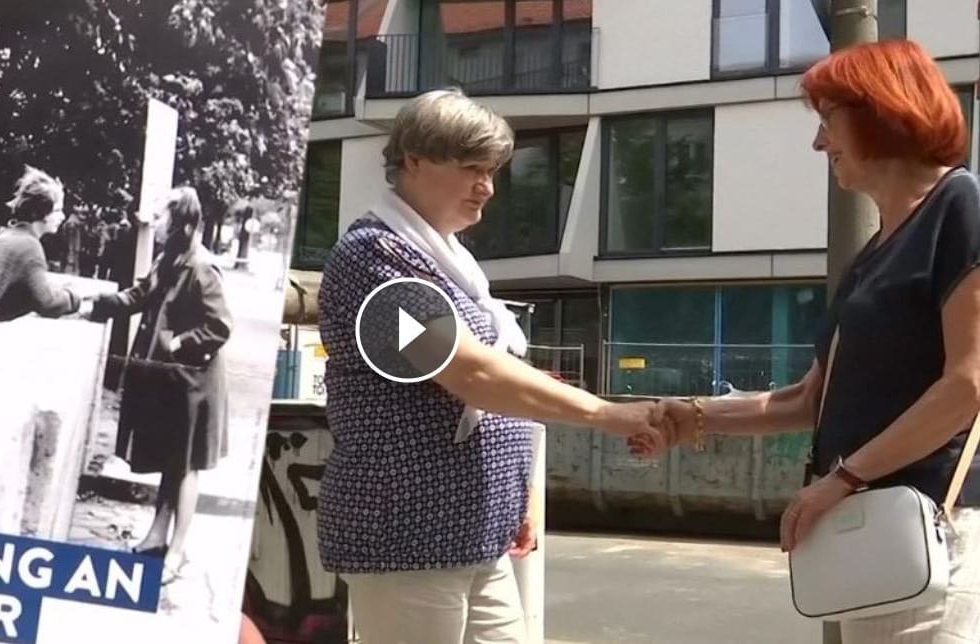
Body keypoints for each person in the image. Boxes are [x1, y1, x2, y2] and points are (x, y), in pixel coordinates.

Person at [651, 39, 980, 642]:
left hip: (936, 532)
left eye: (828, 120)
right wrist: (693, 415)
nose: (819, 142)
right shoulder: (875, 253)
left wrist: (841, 480)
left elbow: (968, 384)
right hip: (872, 539)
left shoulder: (964, 208)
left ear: (881, 111)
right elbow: (808, 400)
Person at [316, 88, 666, 644]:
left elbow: (493, 384)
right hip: (407, 533)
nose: (488, 187)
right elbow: (470, 373)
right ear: (415, 160)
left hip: (476, 529)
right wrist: (605, 413)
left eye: (493, 170)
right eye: (472, 168)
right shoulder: (373, 258)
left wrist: (516, 494)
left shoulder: (451, 263)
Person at [87, 186, 233, 585]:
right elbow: (138, 296)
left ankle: (179, 550)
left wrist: (180, 343)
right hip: (170, 382)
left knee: (185, 468)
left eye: (162, 217)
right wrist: (93, 304)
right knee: (172, 461)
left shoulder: (202, 266)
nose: (156, 223)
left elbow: (220, 326)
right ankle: (156, 536)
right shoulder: (168, 259)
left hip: (192, 384)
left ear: (182, 221)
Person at [0, 165, 80, 352]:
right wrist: (73, 298)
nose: (63, 216)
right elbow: (48, 303)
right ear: (41, 213)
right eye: (57, 210)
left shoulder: (2, 240)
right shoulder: (30, 248)